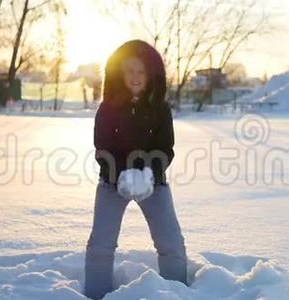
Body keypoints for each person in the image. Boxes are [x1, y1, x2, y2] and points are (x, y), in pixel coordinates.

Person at [84, 40, 188, 299]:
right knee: (100, 245)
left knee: (171, 245)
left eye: (140, 71)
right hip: (111, 183)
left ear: (150, 74)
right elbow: (102, 146)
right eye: (130, 70)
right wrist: (121, 174)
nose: (135, 76)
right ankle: (96, 294)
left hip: (154, 184)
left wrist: (148, 174)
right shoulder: (107, 109)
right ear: (120, 73)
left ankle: (177, 292)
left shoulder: (161, 109)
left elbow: (166, 148)